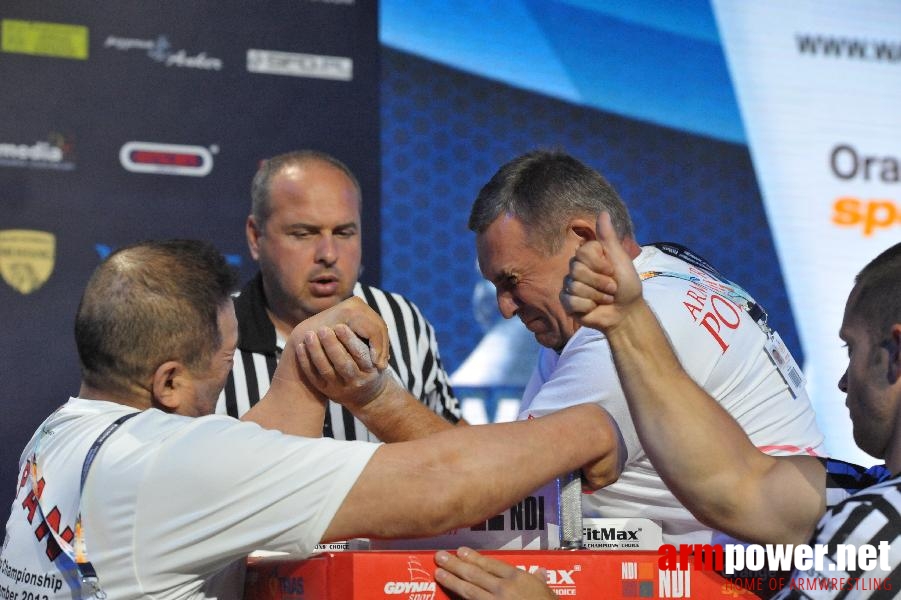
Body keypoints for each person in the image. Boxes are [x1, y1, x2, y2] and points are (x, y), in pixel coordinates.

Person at [0, 239, 618, 600]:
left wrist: (304, 361)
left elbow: (240, 453)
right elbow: (437, 488)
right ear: (168, 382)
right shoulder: (166, 465)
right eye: (224, 360)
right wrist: (588, 426)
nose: (227, 375)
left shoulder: (64, 432)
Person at [466, 149, 825, 544]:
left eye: (512, 280)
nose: (504, 307)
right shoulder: (665, 273)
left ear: (584, 240)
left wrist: (385, 396)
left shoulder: (625, 327)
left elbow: (491, 492)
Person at [560, 212, 900, 596]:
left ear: (897, 354)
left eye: (851, 348)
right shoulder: (863, 498)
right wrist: (626, 320)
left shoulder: (878, 524)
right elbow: (735, 482)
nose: (843, 381)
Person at [216, 149, 461, 441]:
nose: (329, 254)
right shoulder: (211, 337)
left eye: (344, 233)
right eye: (303, 233)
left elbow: (453, 449)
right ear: (256, 237)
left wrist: (381, 400)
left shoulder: (402, 319)